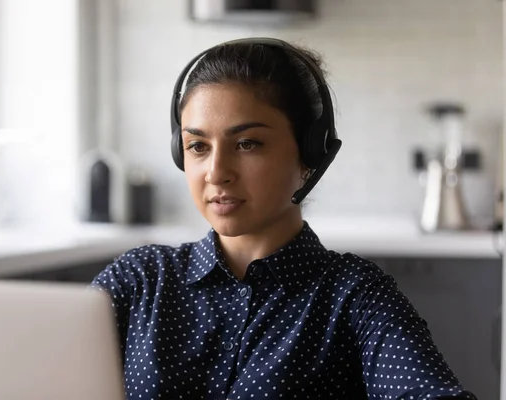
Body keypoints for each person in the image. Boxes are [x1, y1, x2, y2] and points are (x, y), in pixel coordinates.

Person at [91, 37, 477, 399]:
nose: (216, 172)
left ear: (310, 155)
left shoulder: (357, 298)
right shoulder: (138, 281)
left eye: (247, 144)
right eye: (198, 146)